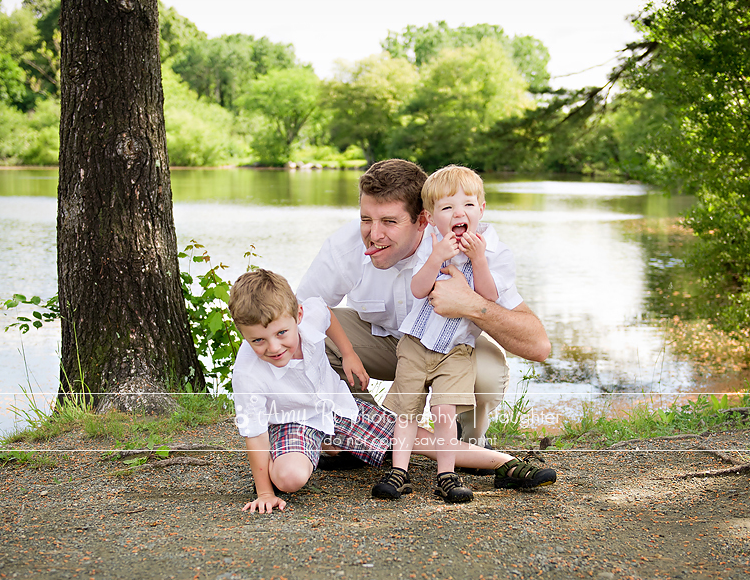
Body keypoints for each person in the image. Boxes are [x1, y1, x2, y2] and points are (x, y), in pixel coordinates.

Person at [228, 269, 556, 513]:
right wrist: (265, 492)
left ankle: (506, 464)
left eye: (282, 333)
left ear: (297, 317)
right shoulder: (247, 373)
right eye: (257, 340)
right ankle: (298, 451)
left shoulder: (308, 312)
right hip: (293, 420)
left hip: (336, 407)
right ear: (243, 334)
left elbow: (327, 315)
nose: (273, 347)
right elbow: (253, 433)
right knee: (289, 479)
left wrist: (350, 353)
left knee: (412, 437)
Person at [296, 159, 551, 450]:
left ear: (423, 220)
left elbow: (538, 346)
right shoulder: (345, 247)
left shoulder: (472, 247)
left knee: (490, 371)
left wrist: (470, 304)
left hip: (451, 351)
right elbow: (297, 314)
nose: (374, 234)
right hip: (382, 346)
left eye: (389, 222)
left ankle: (468, 437)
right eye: (366, 219)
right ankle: (364, 427)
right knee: (310, 332)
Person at [374, 165, 515, 503]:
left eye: (468, 204)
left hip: (456, 350)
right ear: (431, 216)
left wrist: (477, 260)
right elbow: (418, 289)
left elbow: (489, 297)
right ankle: (399, 472)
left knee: (444, 413)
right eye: (447, 207)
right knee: (407, 410)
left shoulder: (494, 253)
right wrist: (436, 256)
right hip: (417, 343)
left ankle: (447, 475)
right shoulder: (430, 245)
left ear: (481, 209)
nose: (458, 213)